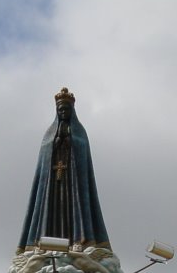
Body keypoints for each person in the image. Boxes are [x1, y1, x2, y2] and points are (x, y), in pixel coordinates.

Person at [16, 87, 111, 254]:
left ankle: (77, 240)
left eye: (66, 109)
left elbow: (82, 150)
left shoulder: (79, 132)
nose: (63, 112)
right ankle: (45, 244)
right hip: (52, 183)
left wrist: (70, 141)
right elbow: (44, 155)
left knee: (74, 209)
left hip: (73, 182)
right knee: (50, 211)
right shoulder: (49, 135)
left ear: (71, 110)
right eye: (60, 109)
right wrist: (55, 143)